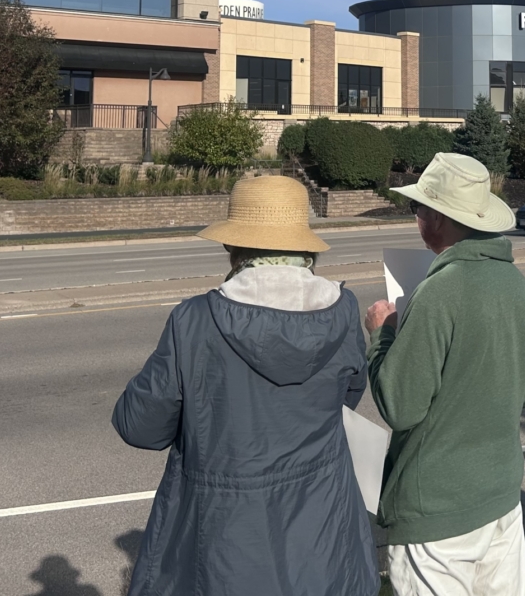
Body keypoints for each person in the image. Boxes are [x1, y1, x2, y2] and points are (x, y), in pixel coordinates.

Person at [112, 175, 377, 596]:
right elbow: (347, 394)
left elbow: (140, 426)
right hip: (322, 527)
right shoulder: (343, 309)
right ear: (304, 245)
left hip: (225, 539)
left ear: (233, 246)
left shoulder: (195, 320)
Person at [365, 152, 525, 596]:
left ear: (440, 219)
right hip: (500, 496)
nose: (416, 218)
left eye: (418, 209)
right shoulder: (518, 285)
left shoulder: (439, 290)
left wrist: (383, 335)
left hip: (436, 509)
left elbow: (400, 406)